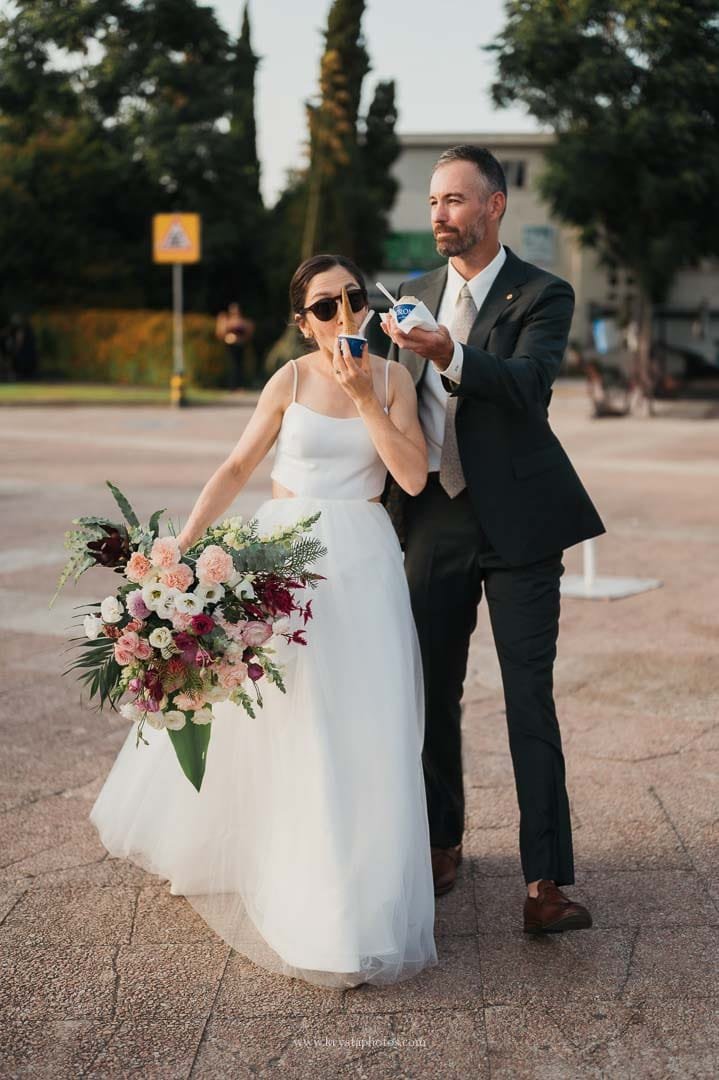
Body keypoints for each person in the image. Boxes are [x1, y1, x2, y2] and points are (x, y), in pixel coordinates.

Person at [91, 254, 437, 988]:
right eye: (322, 306)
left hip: (364, 560)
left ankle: (358, 889)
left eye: (350, 299)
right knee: (289, 718)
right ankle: (288, 867)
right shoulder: (286, 379)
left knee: (362, 723)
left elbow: (409, 477)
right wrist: (179, 547)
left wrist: (366, 396)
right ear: (299, 319)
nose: (341, 315)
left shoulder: (393, 377)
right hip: (283, 556)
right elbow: (238, 466)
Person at [382, 145, 605, 933]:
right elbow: (388, 405)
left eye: (454, 201)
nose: (438, 214)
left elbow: (527, 386)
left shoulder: (543, 291)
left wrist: (451, 353)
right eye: (434, 201)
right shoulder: (410, 292)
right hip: (433, 516)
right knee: (430, 692)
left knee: (527, 698)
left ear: (494, 206)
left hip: (517, 519)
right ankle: (441, 843)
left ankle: (544, 880)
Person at [215, 302, 255, 389]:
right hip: (230, 345)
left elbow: (248, 332)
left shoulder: (243, 321)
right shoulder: (226, 320)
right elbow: (221, 332)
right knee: (232, 366)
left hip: (240, 345)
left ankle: (239, 385)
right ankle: (232, 385)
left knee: (239, 366)